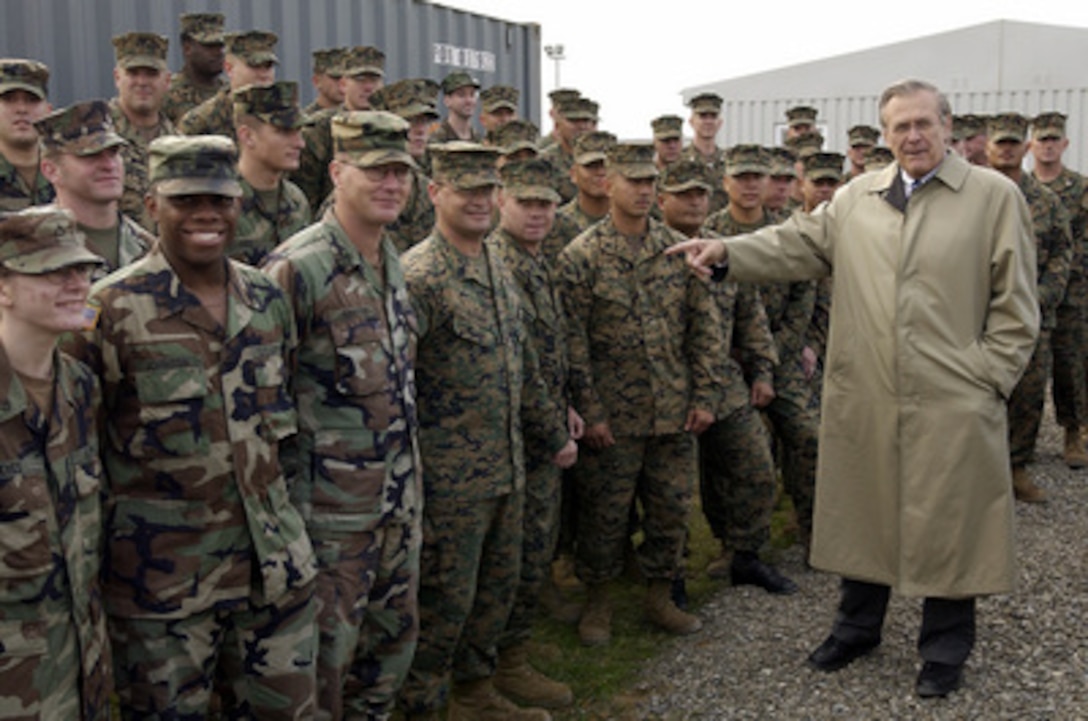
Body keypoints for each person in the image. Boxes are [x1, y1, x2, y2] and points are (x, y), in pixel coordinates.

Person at [669, 79, 1039, 699]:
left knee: (949, 522)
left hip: (953, 395)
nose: (913, 136)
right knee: (865, 513)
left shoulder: (992, 197)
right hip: (868, 388)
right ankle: (856, 627)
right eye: (900, 127)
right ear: (884, 134)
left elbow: (1017, 309)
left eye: (924, 123)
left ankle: (944, 650)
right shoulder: (858, 196)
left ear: (948, 127)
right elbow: (798, 243)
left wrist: (987, 379)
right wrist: (727, 250)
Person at [71, 135, 318, 718]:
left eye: (220, 199)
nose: (206, 213)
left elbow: (286, 424)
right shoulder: (108, 310)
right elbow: (82, 451)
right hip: (164, 588)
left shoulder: (264, 298)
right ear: (152, 206)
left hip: (271, 569)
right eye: (186, 200)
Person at [397, 142, 575, 721]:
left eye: (485, 190)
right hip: (449, 485)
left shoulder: (495, 264)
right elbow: (394, 391)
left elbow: (521, 366)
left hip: (507, 468)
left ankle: (475, 695)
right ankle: (424, 704)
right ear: (434, 194)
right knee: (443, 605)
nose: (477, 201)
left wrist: (551, 433)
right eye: (464, 190)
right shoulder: (418, 277)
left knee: (494, 594)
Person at [262, 111, 422, 721]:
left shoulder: (391, 261)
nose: (391, 184)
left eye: (400, 172)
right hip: (329, 522)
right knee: (324, 667)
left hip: (398, 507)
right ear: (336, 172)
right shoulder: (295, 268)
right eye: (376, 170)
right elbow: (263, 406)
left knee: (388, 656)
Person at [558, 142, 725, 647]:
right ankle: (599, 602)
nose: (644, 191)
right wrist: (591, 410)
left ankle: (659, 597)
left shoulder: (677, 249)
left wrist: (705, 396)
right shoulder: (582, 256)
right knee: (605, 515)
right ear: (608, 184)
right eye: (633, 182)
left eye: (650, 182)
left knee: (671, 510)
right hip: (614, 416)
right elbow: (573, 343)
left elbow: (705, 329)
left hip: (674, 411)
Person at [656, 159, 795, 593]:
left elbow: (750, 314)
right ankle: (670, 576)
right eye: (683, 194)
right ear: (662, 200)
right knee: (673, 491)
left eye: (700, 193)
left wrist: (763, 371)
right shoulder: (652, 252)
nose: (694, 201)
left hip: (724, 382)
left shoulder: (720, 248)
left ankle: (745, 555)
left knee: (755, 466)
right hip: (670, 388)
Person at [0, 206, 111, 720]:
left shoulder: (79, 387)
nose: (76, 284)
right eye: (52, 271)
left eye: (82, 270)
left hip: (79, 672)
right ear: (4, 287)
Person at [486, 157, 579, 711]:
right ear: (503, 202)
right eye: (527, 203)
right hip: (515, 438)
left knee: (530, 550)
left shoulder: (534, 259)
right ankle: (502, 667)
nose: (539, 212)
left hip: (539, 427)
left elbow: (549, 351)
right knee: (513, 558)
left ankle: (509, 659)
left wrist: (565, 406)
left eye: (546, 203)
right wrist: (553, 430)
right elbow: (517, 366)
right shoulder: (502, 263)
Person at [986, 112, 1072, 503]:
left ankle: (1016, 467)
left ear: (1025, 147)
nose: (1006, 149)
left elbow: (1061, 254)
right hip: (978, 313)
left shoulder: (1046, 201)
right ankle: (977, 473)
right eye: (999, 143)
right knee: (978, 392)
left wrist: (1039, 301)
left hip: (1031, 314)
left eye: (1012, 143)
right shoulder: (973, 193)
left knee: (1029, 393)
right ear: (989, 147)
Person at [1030, 111, 1088, 468]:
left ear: (1064, 144)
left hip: (1070, 293)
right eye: (1042, 140)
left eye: (1054, 140)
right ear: (1030, 145)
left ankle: (1072, 432)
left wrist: (1062, 274)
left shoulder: (1080, 188)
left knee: (1070, 366)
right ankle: (1024, 442)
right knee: (1030, 373)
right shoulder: (1019, 188)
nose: (1048, 146)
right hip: (1030, 291)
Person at [36, 99, 153, 274]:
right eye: (91, 155)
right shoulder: (29, 244)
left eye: (113, 153)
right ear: (51, 170)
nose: (109, 165)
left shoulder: (150, 248)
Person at [292, 45, 386, 212]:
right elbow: (305, 196)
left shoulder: (390, 131)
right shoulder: (320, 129)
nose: (368, 87)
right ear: (343, 85)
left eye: (374, 80)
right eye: (360, 79)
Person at [231, 81, 310, 265]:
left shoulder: (296, 201)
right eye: (284, 132)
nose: (300, 143)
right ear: (248, 136)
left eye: (299, 132)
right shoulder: (222, 203)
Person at [108, 31, 177, 231]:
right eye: (133, 73)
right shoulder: (94, 140)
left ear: (167, 81)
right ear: (117, 77)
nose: (142, 82)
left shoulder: (179, 144)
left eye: (151, 74)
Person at [369, 78, 440, 253]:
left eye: (424, 121)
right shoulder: (363, 185)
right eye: (411, 121)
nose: (420, 130)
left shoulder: (425, 187)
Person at [177, 30, 278, 140]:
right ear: (229, 68)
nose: (263, 75)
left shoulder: (285, 117)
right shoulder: (201, 122)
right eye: (255, 66)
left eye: (268, 66)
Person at [0, 59, 54, 210]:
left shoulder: (70, 172)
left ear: (49, 111)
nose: (22, 109)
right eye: (9, 99)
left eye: (32, 100)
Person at [161, 12, 227, 123]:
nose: (218, 53)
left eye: (220, 46)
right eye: (210, 46)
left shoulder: (229, 95)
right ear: (187, 48)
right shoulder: (167, 95)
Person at [681, 92, 728, 213]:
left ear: (720, 122)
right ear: (691, 122)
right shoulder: (680, 160)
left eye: (713, 116)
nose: (708, 121)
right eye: (703, 116)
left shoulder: (730, 161)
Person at [428, 72, 480, 144]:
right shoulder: (436, 140)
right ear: (447, 101)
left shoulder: (479, 140)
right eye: (461, 95)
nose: (469, 100)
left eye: (472, 95)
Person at [305, 47, 346, 115]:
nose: (343, 83)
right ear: (317, 81)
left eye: (347, 77)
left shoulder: (354, 118)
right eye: (336, 78)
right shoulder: (307, 121)